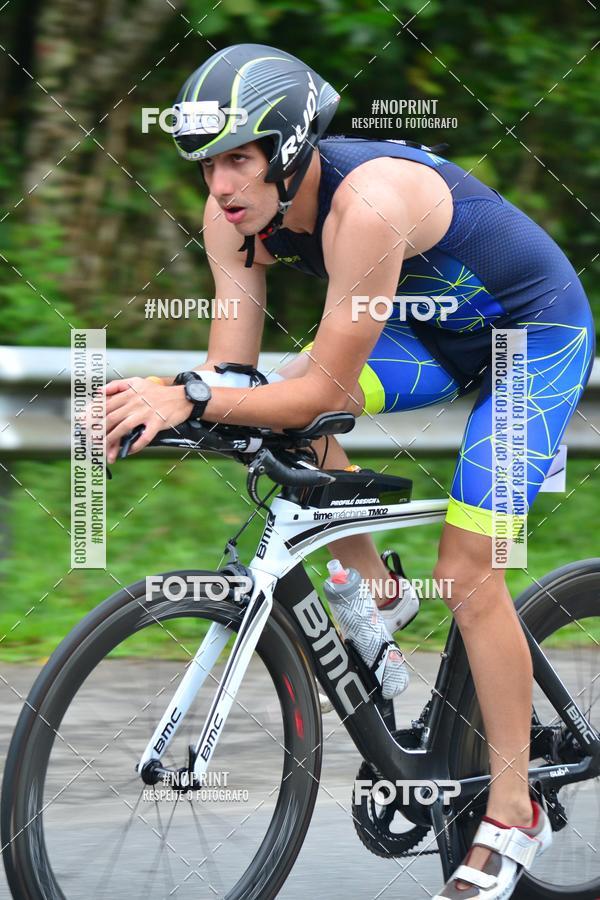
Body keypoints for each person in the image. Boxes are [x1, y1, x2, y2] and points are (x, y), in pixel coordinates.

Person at [105, 44, 595, 898]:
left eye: (240, 160)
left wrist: (191, 395)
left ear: (290, 152)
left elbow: (318, 392)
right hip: (434, 337)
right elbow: (239, 377)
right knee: (276, 401)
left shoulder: (365, 206)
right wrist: (172, 395)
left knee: (467, 569)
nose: (220, 187)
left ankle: (512, 810)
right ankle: (374, 590)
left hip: (532, 338)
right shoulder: (233, 221)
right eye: (208, 164)